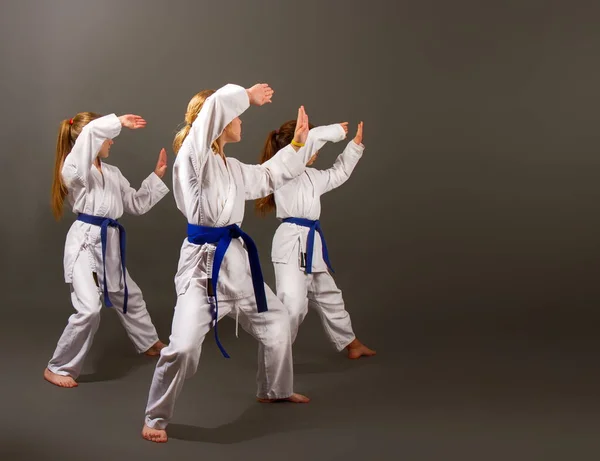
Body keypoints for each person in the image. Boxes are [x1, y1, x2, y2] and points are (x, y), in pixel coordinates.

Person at [142, 83, 345, 443]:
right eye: (235, 116)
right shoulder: (194, 157)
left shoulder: (231, 166)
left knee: (279, 321)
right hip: (203, 269)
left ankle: (274, 390)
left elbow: (269, 176)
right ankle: (155, 418)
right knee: (184, 347)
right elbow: (209, 116)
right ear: (218, 122)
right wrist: (245, 96)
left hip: (237, 263)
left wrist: (298, 145)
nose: (241, 120)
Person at [44, 112, 169, 388]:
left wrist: (156, 177)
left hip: (109, 240)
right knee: (89, 308)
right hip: (85, 243)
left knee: (128, 294)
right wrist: (118, 122)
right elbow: (87, 142)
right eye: (106, 137)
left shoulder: (113, 173)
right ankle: (58, 366)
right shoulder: (73, 169)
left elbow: (136, 204)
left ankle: (148, 342)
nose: (112, 141)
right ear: (93, 136)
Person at [256, 120, 376, 359]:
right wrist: (331, 132)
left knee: (329, 295)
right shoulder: (281, 171)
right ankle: (276, 356)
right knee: (293, 305)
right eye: (311, 144)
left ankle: (352, 343)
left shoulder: (311, 176)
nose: (316, 151)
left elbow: (338, 174)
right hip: (291, 242)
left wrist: (354, 147)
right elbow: (300, 153)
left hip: (311, 241)